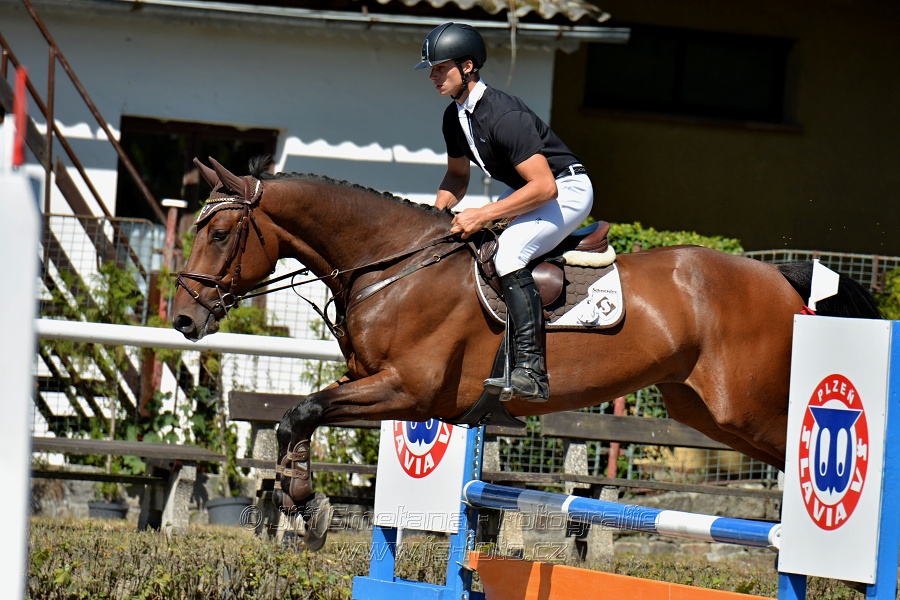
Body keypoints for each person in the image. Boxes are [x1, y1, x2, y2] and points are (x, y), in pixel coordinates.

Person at [415, 22, 595, 402]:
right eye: (430, 69)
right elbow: (456, 175)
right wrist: (433, 218)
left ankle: (531, 369)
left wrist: (483, 214)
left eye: (439, 67)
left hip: (566, 189)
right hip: (528, 190)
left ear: (466, 67)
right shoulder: (455, 117)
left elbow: (544, 187)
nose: (432, 75)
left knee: (511, 252)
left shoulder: (502, 115)